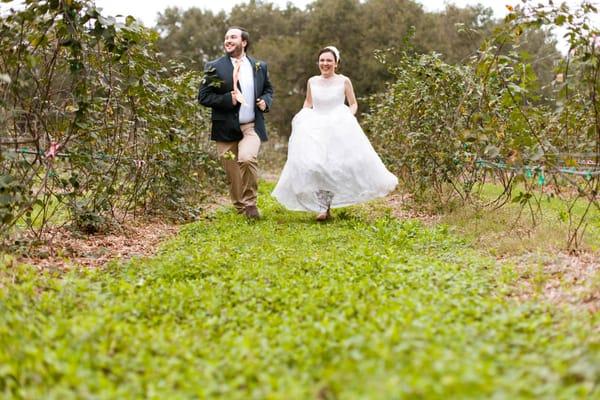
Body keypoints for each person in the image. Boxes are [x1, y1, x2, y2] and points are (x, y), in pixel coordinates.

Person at [272, 46, 397, 221]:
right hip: (317, 127)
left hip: (337, 126)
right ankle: (323, 207)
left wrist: (347, 117)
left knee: (335, 165)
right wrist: (303, 117)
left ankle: (329, 204)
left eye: (329, 60)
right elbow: (308, 102)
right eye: (322, 60)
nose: (325, 63)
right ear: (318, 63)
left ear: (336, 63)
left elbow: (353, 103)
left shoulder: (344, 81)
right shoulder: (312, 81)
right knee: (316, 165)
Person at [198, 26, 274, 219]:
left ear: (244, 42)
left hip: (251, 126)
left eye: (233, 37)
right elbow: (203, 97)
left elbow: (268, 90)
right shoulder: (213, 66)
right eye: (226, 38)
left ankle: (250, 205)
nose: (228, 41)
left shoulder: (259, 66)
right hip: (224, 128)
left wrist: (266, 102)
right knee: (233, 174)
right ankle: (241, 209)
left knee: (247, 159)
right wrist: (227, 99)